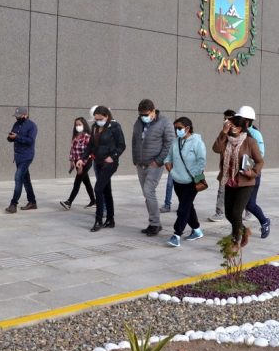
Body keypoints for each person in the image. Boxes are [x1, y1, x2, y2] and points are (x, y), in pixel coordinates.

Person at [213, 113, 263, 249]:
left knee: (236, 212)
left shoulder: (250, 142)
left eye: (233, 125)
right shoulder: (226, 140)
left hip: (245, 182)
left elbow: (259, 161)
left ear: (240, 128)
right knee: (229, 213)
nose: (230, 127)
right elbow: (216, 148)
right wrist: (223, 133)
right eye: (229, 125)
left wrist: (252, 173)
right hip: (229, 181)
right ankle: (244, 230)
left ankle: (236, 241)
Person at [76, 106, 126, 232]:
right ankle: (110, 219)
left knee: (98, 189)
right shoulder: (94, 127)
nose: (98, 121)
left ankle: (98, 220)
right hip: (98, 162)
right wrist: (83, 158)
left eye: (100, 118)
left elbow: (121, 145)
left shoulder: (115, 127)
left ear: (107, 116)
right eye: (96, 119)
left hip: (109, 163)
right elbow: (90, 146)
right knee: (106, 190)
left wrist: (113, 156)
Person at [132, 99, 175, 236]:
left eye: (146, 114)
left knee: (148, 191)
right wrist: (135, 159)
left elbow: (169, 143)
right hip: (141, 163)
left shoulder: (164, 122)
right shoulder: (138, 122)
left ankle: (155, 224)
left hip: (154, 164)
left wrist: (159, 161)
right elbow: (134, 140)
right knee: (147, 193)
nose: (143, 117)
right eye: (141, 114)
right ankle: (155, 222)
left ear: (153, 111)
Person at [164, 117, 207, 247]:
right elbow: (168, 157)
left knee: (182, 209)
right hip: (177, 180)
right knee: (188, 206)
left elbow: (201, 161)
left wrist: (196, 176)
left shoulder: (197, 142)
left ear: (188, 128)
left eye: (179, 128)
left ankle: (176, 234)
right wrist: (170, 169)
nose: (177, 130)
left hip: (192, 182)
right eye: (175, 128)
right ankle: (197, 230)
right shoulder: (175, 142)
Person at [236, 105, 271, 239]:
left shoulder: (255, 134)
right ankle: (238, 230)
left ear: (248, 121)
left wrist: (247, 166)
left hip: (251, 174)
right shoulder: (237, 132)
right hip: (238, 174)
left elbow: (260, 155)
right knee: (236, 205)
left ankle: (264, 221)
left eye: (242, 119)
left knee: (249, 204)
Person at [5, 107, 38, 213]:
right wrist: (10, 138)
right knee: (26, 180)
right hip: (18, 156)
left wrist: (17, 137)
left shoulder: (32, 126)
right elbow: (13, 136)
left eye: (18, 116)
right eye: (16, 116)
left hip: (27, 156)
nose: (17, 118)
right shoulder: (16, 124)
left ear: (25, 115)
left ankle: (13, 204)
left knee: (18, 178)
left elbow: (30, 141)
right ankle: (32, 202)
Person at [60, 117, 96, 210]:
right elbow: (72, 151)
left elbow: (89, 151)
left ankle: (69, 202)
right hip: (76, 162)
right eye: (76, 125)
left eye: (79, 124)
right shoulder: (75, 137)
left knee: (77, 181)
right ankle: (93, 200)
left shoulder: (87, 137)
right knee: (86, 182)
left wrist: (82, 164)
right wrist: (72, 162)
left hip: (86, 162)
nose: (78, 126)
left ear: (84, 125)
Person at [208, 109, 235, 222]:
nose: (227, 121)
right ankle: (219, 212)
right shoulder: (223, 134)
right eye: (225, 119)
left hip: (237, 171)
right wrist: (223, 132)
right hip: (225, 170)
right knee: (222, 191)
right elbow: (216, 148)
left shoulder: (240, 133)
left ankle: (247, 210)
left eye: (229, 119)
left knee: (238, 194)